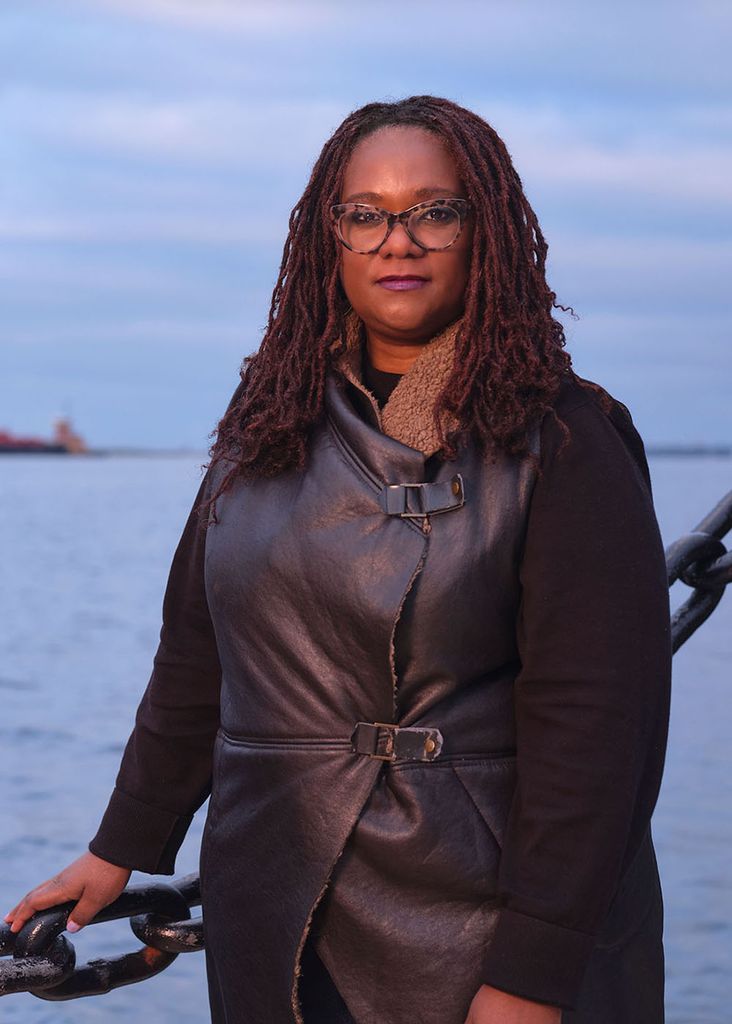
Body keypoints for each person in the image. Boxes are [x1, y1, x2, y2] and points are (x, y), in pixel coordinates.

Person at [3, 96, 672, 1024]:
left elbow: (597, 738)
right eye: (365, 214)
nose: (398, 240)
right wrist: (118, 847)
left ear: (486, 232)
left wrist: (531, 978)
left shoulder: (565, 441)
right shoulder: (263, 429)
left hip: (482, 933)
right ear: (331, 239)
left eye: (434, 211)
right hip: (277, 906)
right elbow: (196, 665)